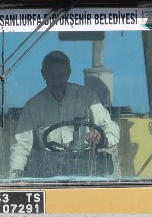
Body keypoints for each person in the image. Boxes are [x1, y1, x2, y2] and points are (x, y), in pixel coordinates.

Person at [8, 50, 121, 178]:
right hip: (49, 170)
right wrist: (14, 177)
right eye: (51, 76)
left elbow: (111, 127)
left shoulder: (87, 98)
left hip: (88, 165)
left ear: (69, 74)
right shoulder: (32, 107)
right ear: (43, 74)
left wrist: (102, 136)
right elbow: (21, 146)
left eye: (61, 75)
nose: (56, 82)